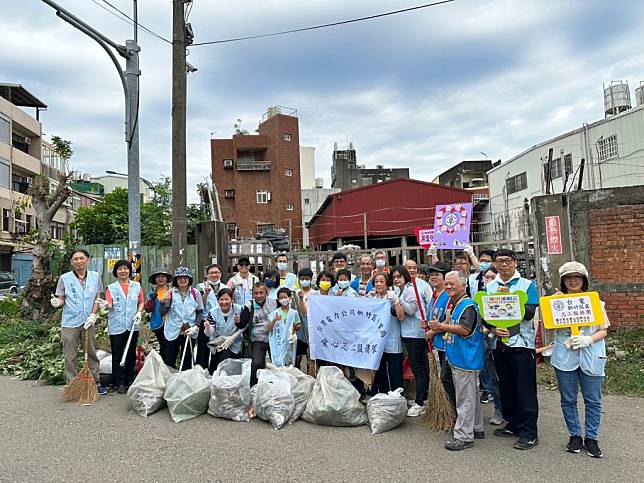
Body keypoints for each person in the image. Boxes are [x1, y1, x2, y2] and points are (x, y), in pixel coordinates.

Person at [551, 262, 608, 458]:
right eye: (568, 278)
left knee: (593, 400)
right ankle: (574, 435)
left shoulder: (596, 302)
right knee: (568, 398)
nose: (572, 280)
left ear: (584, 280)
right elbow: (549, 327)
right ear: (563, 281)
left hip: (591, 354)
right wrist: (553, 306)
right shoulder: (557, 302)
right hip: (565, 356)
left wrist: (588, 339)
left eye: (577, 277)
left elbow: (603, 329)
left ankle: (591, 437)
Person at [485, 249, 540, 450]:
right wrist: (492, 327)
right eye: (499, 261)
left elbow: (529, 313)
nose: (504, 264)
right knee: (506, 387)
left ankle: (529, 432)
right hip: (498, 344)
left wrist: (511, 299)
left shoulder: (527, 285)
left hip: (522, 344)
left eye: (508, 260)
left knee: (525, 390)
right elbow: (485, 314)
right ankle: (513, 423)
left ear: (515, 263)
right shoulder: (490, 286)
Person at [431, 271, 485, 451]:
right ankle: (476, 427)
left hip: (466, 358)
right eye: (446, 283)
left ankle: (464, 436)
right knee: (471, 394)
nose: (448, 286)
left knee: (465, 397)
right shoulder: (458, 304)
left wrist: (441, 327)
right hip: (459, 356)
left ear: (463, 285)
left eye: (452, 283)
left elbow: (465, 330)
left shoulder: (467, 305)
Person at [51, 249, 107, 395]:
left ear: (87, 260)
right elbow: (62, 298)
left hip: (88, 320)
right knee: (70, 355)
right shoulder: (65, 278)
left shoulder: (95, 277)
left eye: (82, 258)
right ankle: (72, 384)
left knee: (91, 352)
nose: (79, 261)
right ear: (71, 262)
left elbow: (97, 297)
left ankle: (95, 382)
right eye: (75, 259)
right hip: (70, 322)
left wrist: (93, 315)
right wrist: (58, 302)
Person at [392, 265, 429, 417]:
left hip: (416, 334)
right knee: (419, 368)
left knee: (418, 369)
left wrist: (396, 300)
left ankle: (420, 401)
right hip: (408, 333)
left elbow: (411, 310)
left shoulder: (410, 290)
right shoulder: (400, 291)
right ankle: (422, 398)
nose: (396, 279)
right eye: (394, 277)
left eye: (399, 277)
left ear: (405, 277)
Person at [104, 259, 144, 394]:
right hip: (116, 325)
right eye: (120, 269)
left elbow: (141, 302)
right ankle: (119, 382)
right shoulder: (111, 287)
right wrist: (106, 305)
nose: (123, 271)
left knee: (131, 353)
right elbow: (109, 303)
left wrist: (139, 312)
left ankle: (129, 380)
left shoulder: (136, 286)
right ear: (116, 271)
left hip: (133, 324)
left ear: (130, 271)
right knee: (117, 354)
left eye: (125, 268)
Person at [424, 261, 456, 408]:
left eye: (437, 274)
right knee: (446, 378)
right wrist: (427, 324)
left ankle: (455, 409)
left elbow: (449, 321)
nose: (433, 277)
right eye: (432, 274)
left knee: (447, 378)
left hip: (448, 344)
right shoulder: (435, 294)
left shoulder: (449, 296)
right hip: (439, 344)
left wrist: (433, 331)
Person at [160, 267, 204, 370]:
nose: (182, 280)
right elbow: (162, 312)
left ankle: (185, 381)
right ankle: (170, 380)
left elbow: (200, 311)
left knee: (187, 358)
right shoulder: (169, 292)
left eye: (185, 277)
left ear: (189, 279)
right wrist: (166, 302)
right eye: (179, 278)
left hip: (189, 330)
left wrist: (196, 326)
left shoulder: (195, 293)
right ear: (176, 280)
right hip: (173, 329)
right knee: (170, 358)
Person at [367, 272, 404, 393]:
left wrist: (396, 302)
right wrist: (366, 302)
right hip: (377, 341)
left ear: (387, 283)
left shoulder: (392, 296)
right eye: (376, 282)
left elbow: (401, 317)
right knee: (380, 371)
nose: (378, 284)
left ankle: (397, 398)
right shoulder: (373, 298)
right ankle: (383, 396)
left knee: (395, 372)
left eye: (381, 281)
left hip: (393, 339)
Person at [479, 265, 503, 425]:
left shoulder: (507, 296)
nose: (488, 280)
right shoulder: (481, 298)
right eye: (486, 277)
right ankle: (499, 409)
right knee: (492, 379)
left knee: (504, 378)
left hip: (505, 343)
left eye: (492, 277)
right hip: (487, 343)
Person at [204, 287, 246, 373]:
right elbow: (209, 333)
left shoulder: (239, 309)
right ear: (217, 300)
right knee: (222, 362)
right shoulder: (213, 312)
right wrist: (207, 328)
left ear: (232, 299)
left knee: (235, 368)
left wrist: (233, 338)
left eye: (227, 299)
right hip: (218, 343)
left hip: (235, 342)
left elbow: (244, 326)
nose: (224, 302)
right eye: (221, 299)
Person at [242, 282, 276, 385]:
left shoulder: (274, 303)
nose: (259, 296)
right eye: (256, 293)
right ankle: (254, 388)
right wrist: (239, 321)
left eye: (261, 293)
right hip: (258, 339)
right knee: (256, 364)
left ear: (267, 292)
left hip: (273, 338)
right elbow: (242, 323)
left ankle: (275, 387)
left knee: (276, 364)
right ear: (253, 294)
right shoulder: (249, 306)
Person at [196, 264, 225, 368]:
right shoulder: (200, 287)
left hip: (220, 321)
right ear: (207, 275)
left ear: (220, 274)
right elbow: (198, 304)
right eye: (211, 273)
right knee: (203, 346)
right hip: (205, 320)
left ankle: (215, 370)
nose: (214, 275)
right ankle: (201, 369)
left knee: (217, 345)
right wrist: (206, 293)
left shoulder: (225, 287)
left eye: (216, 272)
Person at [144, 268, 173, 362]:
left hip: (171, 322)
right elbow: (148, 309)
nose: (160, 279)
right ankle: (163, 365)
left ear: (167, 278)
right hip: (157, 322)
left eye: (163, 276)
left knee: (169, 345)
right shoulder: (152, 291)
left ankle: (166, 365)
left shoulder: (172, 291)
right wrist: (152, 298)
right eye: (158, 277)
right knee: (163, 344)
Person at [267, 287, 301, 367]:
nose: (283, 300)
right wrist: (274, 320)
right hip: (278, 342)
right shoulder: (275, 313)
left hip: (290, 342)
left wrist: (296, 327)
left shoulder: (294, 313)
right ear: (278, 299)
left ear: (289, 298)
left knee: (289, 362)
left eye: (285, 297)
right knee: (278, 362)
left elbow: (298, 325)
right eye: (281, 298)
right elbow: (269, 329)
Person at [294, 268, 316, 369]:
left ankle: (310, 378)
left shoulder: (315, 294)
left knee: (310, 359)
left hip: (311, 330)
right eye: (302, 279)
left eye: (307, 279)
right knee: (297, 358)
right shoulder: (295, 293)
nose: (304, 281)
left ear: (311, 279)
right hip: (298, 331)